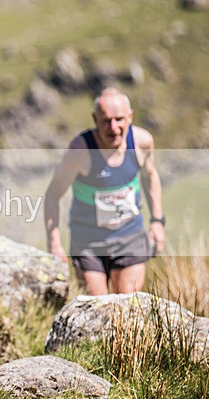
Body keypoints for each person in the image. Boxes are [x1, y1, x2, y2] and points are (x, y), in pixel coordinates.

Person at [44, 88, 165, 296]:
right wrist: (54, 242)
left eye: (119, 119)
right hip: (88, 242)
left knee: (127, 304)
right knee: (97, 306)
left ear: (130, 117)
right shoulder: (80, 150)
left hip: (129, 236)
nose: (113, 127)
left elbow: (150, 176)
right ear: (95, 119)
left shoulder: (142, 142)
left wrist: (157, 222)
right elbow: (53, 194)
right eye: (106, 121)